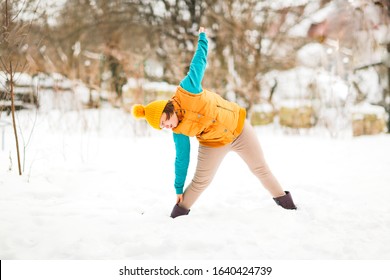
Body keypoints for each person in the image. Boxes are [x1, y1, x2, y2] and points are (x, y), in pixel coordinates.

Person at [132, 27, 297, 218]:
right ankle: (176, 218)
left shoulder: (187, 90)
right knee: (201, 181)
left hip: (239, 128)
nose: (167, 126)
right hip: (213, 143)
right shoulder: (179, 131)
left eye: (165, 121)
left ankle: (289, 208)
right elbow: (181, 159)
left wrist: (203, 39)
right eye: (163, 127)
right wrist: (178, 187)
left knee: (260, 169)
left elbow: (198, 64)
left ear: (168, 109)